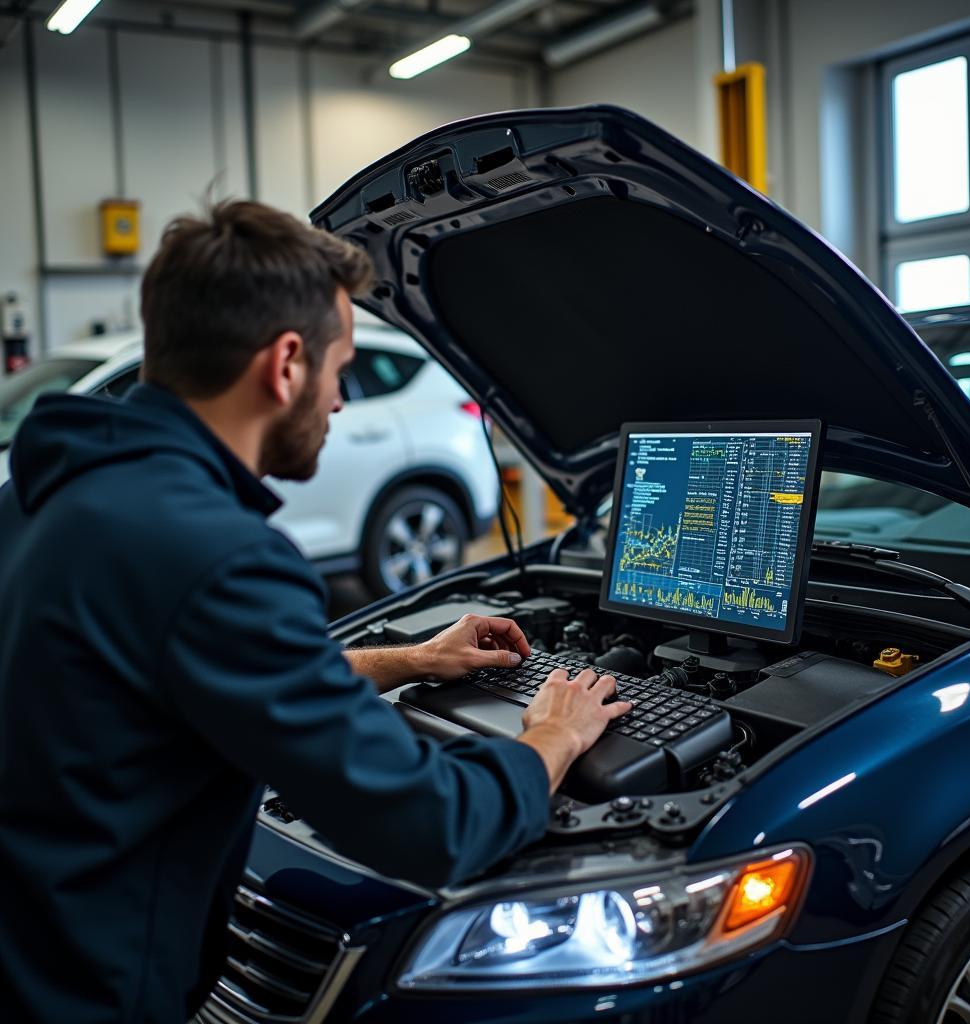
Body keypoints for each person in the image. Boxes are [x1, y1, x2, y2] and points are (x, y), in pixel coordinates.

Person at [0, 200, 631, 1023]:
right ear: (286, 364)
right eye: (340, 368)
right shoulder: (212, 555)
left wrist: (411, 661)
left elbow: (173, 667)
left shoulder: (44, 495)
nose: (339, 400)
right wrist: (555, 733)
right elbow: (431, 827)